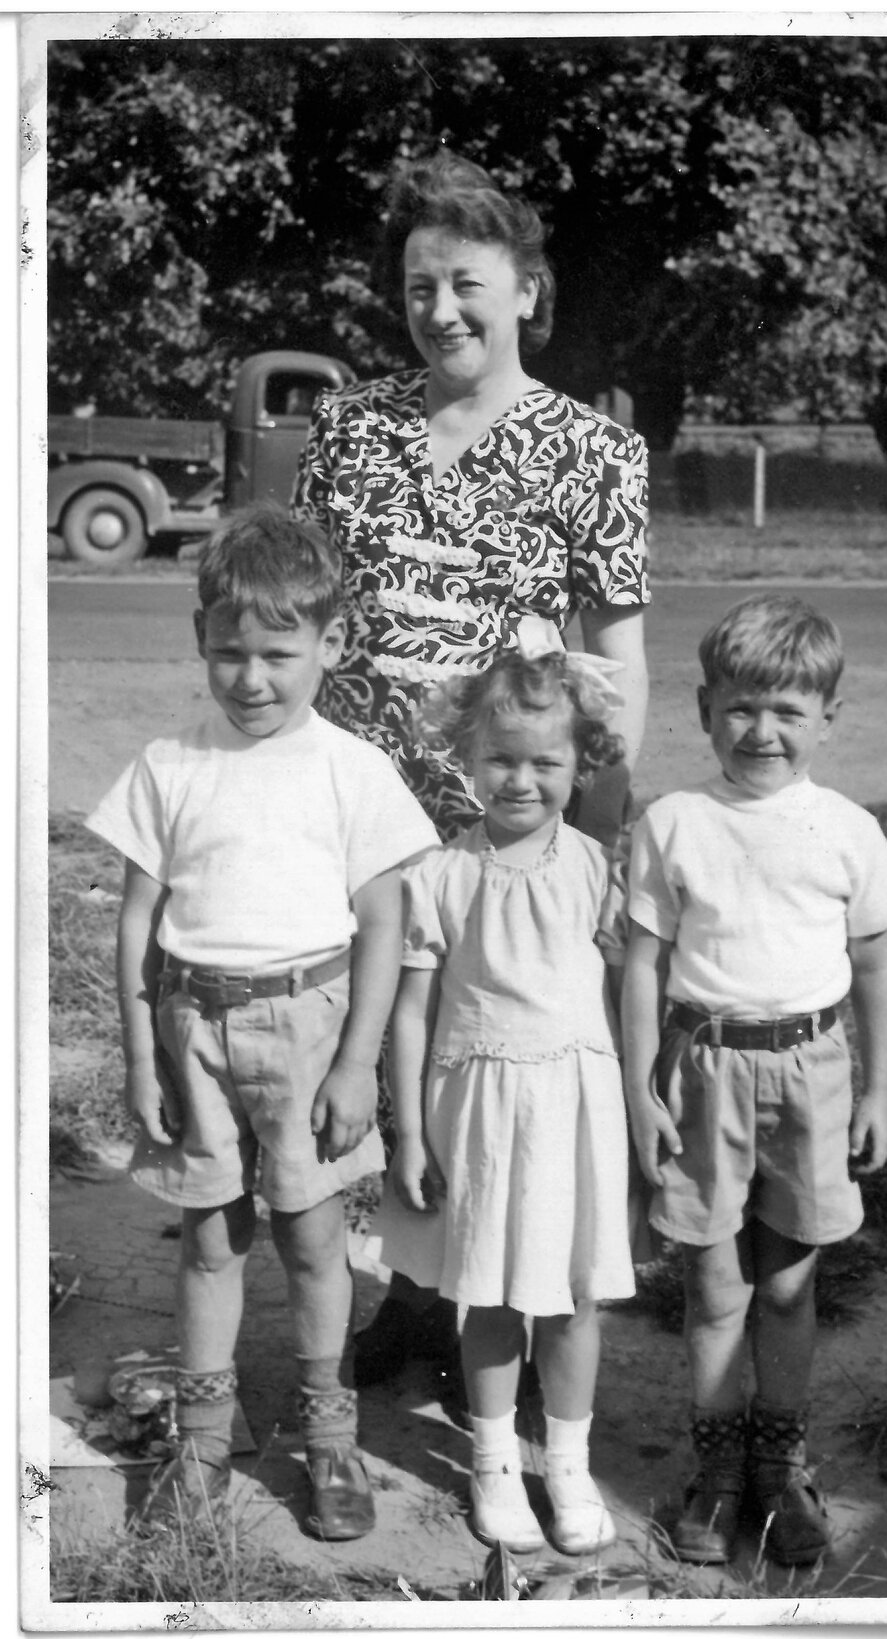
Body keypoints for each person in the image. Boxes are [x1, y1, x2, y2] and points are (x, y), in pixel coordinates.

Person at [291, 148, 649, 1391]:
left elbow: (617, 670)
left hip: (501, 830)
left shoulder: (591, 453)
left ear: (527, 293)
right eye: (417, 289)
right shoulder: (347, 427)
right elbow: (304, 614)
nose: (439, 309)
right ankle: (410, 1283)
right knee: (381, 1046)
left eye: (465, 285)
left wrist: (592, 844)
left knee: (484, 1055)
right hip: (355, 820)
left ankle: (502, 1295)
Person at [85, 505, 438, 1539]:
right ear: (200, 636)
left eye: (278, 654)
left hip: (310, 1027)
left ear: (330, 645)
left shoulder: (352, 769)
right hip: (194, 1024)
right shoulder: (168, 762)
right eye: (229, 651)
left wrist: (355, 1063)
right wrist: (141, 1044)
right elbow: (139, 917)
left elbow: (383, 919)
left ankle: (328, 1440)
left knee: (316, 1238)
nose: (251, 678)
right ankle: (200, 1442)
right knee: (209, 1240)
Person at [621, 593, 887, 1568]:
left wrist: (874, 1092)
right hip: (704, 1068)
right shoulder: (673, 822)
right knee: (714, 1285)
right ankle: (715, 1469)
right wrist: (638, 1087)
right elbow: (640, 966)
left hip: (813, 1071)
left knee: (787, 1281)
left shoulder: (845, 830)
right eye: (742, 706)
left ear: (827, 717)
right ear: (704, 708)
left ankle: (781, 1466)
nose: (762, 731)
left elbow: (872, 967)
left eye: (788, 710)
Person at [375, 627, 636, 1554]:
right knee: (485, 1292)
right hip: (479, 1109)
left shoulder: (600, 871)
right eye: (499, 760)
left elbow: (628, 992)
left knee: (572, 1295)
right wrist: (409, 1133)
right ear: (467, 757)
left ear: (581, 764)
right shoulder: (439, 875)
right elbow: (410, 1013)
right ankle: (491, 1459)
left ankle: (565, 1461)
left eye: (544, 764)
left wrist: (642, 1103)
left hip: (573, 1103)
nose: (520, 782)